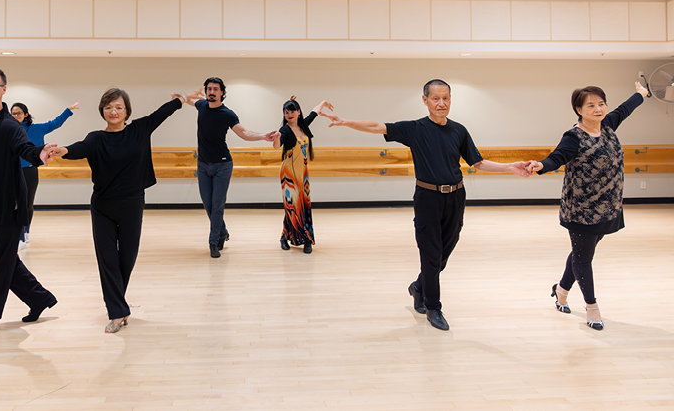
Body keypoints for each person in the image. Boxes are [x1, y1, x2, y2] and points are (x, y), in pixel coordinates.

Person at [318, 79, 530, 331]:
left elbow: (478, 163)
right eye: (436, 98)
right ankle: (434, 307)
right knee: (431, 256)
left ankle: (419, 287)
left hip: (455, 197)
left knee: (443, 255)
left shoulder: (459, 130)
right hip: (428, 198)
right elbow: (377, 126)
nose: (441, 103)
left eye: (446, 98)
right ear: (425, 100)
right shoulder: (415, 129)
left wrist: (509, 167)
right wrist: (345, 122)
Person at [51, 87, 202, 333]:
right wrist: (63, 150)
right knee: (107, 260)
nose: (114, 111)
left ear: (126, 111)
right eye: (109, 107)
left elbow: (162, 113)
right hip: (102, 206)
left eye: (119, 107)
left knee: (126, 259)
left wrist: (182, 99)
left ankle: (118, 305)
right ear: (102, 110)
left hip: (132, 204)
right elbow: (78, 148)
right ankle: (117, 312)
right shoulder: (96, 137)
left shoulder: (139, 130)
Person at [528, 81, 648, 331]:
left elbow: (626, 109)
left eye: (601, 104)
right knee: (584, 257)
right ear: (578, 109)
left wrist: (641, 93)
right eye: (591, 105)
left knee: (582, 252)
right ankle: (592, 307)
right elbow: (557, 157)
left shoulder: (607, 126)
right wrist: (540, 166)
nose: (598, 109)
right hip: (582, 209)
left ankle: (560, 290)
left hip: (608, 206)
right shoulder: (574, 136)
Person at [0, 65, 58, 339]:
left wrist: (39, 153)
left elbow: (25, 148)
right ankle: (40, 298)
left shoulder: (10, 125)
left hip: (8, 204)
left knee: (2, 263)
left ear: (4, 89)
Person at [196, 77, 279, 258]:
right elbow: (188, 100)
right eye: (209, 89)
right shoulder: (201, 106)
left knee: (217, 205)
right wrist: (180, 97)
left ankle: (213, 242)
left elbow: (244, 133)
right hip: (202, 165)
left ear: (221, 92)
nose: (211, 92)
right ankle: (223, 232)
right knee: (208, 204)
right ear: (205, 91)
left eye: (215, 89)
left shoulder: (227, 114)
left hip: (223, 165)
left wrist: (263, 136)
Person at [11, 101, 79, 249]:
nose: (16, 116)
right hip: (11, 171)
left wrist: (68, 110)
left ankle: (26, 229)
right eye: (13, 114)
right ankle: (18, 234)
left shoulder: (37, 129)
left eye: (19, 113)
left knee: (27, 203)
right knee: (14, 203)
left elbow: (55, 123)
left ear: (26, 114)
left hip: (29, 170)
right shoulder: (8, 130)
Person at [273, 97, 333, 254]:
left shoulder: (303, 126)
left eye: (292, 111)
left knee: (303, 206)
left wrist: (324, 103)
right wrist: (276, 138)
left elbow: (315, 112)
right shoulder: (285, 130)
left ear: (298, 112)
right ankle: (301, 239)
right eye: (286, 112)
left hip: (303, 173)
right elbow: (276, 145)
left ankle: (291, 237)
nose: (290, 114)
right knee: (292, 206)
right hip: (288, 174)